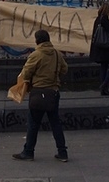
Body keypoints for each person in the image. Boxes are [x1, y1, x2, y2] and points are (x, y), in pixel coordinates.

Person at [12, 29, 69, 162]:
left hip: (38, 93)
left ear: (38, 41)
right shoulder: (56, 54)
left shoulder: (36, 55)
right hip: (53, 93)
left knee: (33, 124)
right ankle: (62, 152)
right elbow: (65, 69)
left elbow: (26, 74)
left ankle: (28, 152)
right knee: (55, 123)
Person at [89, 2, 109, 96]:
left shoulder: (97, 19)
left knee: (104, 66)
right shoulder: (104, 19)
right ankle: (104, 84)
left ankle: (104, 90)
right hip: (107, 48)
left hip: (99, 48)